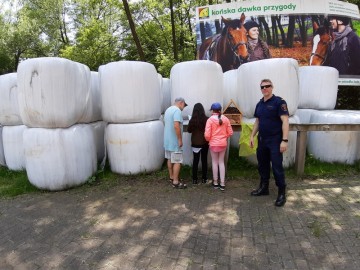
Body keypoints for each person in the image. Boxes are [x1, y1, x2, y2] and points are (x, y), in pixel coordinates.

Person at [249, 79, 289, 207]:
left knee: (277, 167)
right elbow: (257, 122)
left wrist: (285, 140)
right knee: (262, 165)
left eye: (267, 86)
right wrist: (252, 136)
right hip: (262, 140)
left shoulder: (279, 102)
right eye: (262, 87)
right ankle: (264, 188)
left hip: (275, 141)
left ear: (272, 87)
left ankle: (281, 193)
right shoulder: (259, 104)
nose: (265, 88)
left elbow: (285, 121)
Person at [204, 102, 233, 191]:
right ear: (220, 110)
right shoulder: (226, 119)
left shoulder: (210, 120)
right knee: (221, 162)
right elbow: (230, 133)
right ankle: (222, 183)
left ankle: (215, 182)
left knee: (214, 162)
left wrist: (209, 140)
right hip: (223, 144)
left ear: (212, 110)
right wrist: (224, 137)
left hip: (213, 144)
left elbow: (207, 135)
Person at [164, 97, 188, 189]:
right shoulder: (177, 111)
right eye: (184, 105)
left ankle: (171, 177)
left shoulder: (168, 110)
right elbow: (176, 126)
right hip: (174, 142)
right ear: (181, 103)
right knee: (177, 161)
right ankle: (176, 182)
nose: (183, 108)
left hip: (167, 141)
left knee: (169, 159)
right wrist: (179, 139)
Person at [187, 103, 209, 185]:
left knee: (195, 161)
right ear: (203, 110)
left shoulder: (192, 120)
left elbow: (189, 130)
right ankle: (204, 179)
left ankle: (194, 180)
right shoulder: (207, 119)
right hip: (204, 142)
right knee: (204, 160)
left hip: (195, 143)